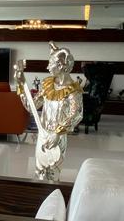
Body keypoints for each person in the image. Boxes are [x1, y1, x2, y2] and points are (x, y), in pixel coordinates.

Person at [14, 43, 84, 181]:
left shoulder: (73, 91)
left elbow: (76, 114)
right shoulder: (47, 85)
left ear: (61, 66)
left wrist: (58, 133)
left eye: (50, 63)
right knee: (39, 172)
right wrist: (20, 86)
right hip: (43, 135)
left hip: (58, 138)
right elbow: (31, 106)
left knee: (53, 174)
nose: (47, 67)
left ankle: (53, 193)